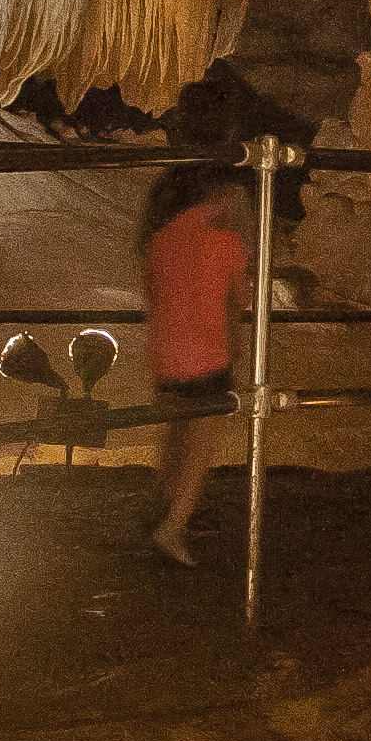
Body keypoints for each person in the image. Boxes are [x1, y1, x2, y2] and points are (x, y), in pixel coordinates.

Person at [138, 154, 248, 567]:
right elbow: (233, 304)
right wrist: (236, 352)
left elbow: (151, 289)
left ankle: (159, 504)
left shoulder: (162, 237)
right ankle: (173, 525)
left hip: (165, 354)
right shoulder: (224, 242)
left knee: (173, 435)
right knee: (198, 448)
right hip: (208, 355)